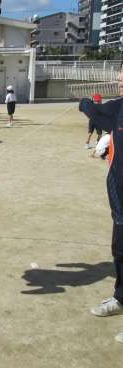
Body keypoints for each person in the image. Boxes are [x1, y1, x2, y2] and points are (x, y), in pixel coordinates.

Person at [79, 63, 123, 344]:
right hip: (120, 198)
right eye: (120, 79)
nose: (120, 83)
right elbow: (97, 112)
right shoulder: (119, 108)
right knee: (120, 250)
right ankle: (121, 297)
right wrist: (85, 103)